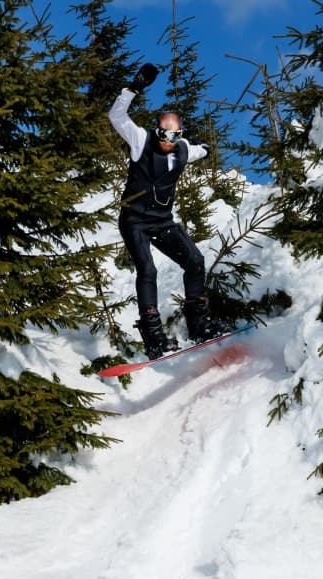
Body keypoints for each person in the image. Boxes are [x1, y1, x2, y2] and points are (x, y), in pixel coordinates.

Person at [109, 62, 224, 359]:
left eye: (171, 137)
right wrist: (133, 88)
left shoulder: (183, 148)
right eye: (162, 133)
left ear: (179, 136)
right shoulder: (142, 140)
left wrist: (207, 149)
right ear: (157, 129)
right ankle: (154, 337)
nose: (165, 141)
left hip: (162, 222)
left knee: (195, 261)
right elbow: (117, 116)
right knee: (147, 269)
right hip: (134, 220)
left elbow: (199, 150)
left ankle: (198, 324)